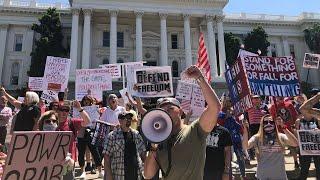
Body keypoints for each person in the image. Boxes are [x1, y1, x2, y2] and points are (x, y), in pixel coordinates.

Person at [143, 66, 221, 180]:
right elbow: (147, 174)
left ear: (180, 111)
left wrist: (199, 78)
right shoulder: (159, 143)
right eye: (162, 111)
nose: (166, 113)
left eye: (170, 109)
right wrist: (153, 148)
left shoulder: (194, 130)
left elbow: (215, 107)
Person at [242, 115, 298, 180]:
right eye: (266, 122)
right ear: (262, 125)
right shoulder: (257, 138)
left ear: (274, 124)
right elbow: (245, 146)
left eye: (271, 122)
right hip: (263, 176)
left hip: (279, 176)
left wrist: (284, 127)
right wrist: (245, 130)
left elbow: (295, 143)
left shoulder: (280, 137)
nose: (268, 124)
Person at [104, 111, 146, 180]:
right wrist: (108, 174)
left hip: (136, 173)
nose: (128, 120)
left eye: (129, 118)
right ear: (120, 120)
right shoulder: (112, 136)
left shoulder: (136, 134)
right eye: (126, 118)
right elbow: (106, 156)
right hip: (119, 174)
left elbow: (143, 153)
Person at [269, 96, 299, 168]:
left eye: (281, 96)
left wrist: (294, 125)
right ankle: (281, 163)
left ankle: (296, 161)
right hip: (279, 130)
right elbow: (272, 119)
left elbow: (295, 116)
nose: (280, 97)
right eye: (278, 96)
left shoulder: (289, 104)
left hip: (289, 129)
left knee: (293, 147)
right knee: (280, 147)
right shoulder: (273, 107)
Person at [77, 95, 103, 178]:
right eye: (84, 100)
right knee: (81, 153)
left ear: (91, 101)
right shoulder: (78, 109)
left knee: (95, 151)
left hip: (92, 131)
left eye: (88, 100)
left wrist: (98, 113)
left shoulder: (95, 109)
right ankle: (82, 171)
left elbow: (98, 119)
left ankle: (99, 171)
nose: (86, 101)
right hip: (81, 132)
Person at [296, 92, 320, 180]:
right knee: (304, 170)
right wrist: (318, 96)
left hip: (317, 149)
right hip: (307, 148)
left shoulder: (317, 117)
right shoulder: (300, 120)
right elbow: (303, 108)